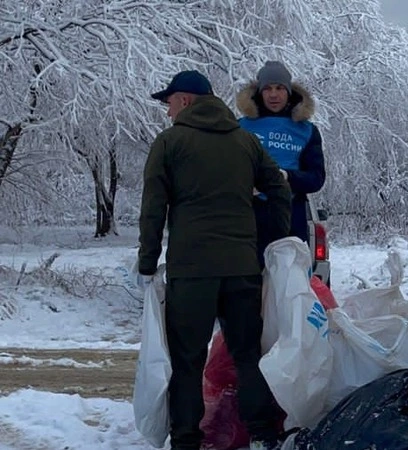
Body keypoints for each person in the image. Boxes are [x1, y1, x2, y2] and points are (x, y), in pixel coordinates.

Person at [137, 70, 291, 450]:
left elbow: (153, 208)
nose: (167, 110)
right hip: (241, 267)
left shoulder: (170, 142)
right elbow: (280, 188)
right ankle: (263, 434)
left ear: (186, 100)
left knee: (187, 360)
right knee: (247, 355)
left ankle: (187, 440)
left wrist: (146, 261)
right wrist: (272, 242)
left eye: (169, 101)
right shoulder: (245, 141)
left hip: (192, 272)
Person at [236, 61, 325, 269]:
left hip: (291, 219)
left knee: (289, 289)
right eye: (267, 88)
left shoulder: (306, 131)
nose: (273, 95)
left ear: (289, 92)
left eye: (279, 88)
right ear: (258, 92)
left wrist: (287, 177)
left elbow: (316, 178)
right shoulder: (240, 127)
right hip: (249, 219)